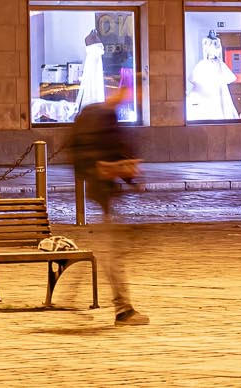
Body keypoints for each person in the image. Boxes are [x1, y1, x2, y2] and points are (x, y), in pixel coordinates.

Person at [70, 80, 146, 326]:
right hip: (101, 190)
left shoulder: (100, 116)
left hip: (102, 192)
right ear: (121, 92)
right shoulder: (101, 117)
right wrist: (118, 169)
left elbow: (114, 151)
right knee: (110, 249)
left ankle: (71, 293)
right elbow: (100, 156)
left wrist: (128, 173)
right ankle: (123, 309)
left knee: (108, 247)